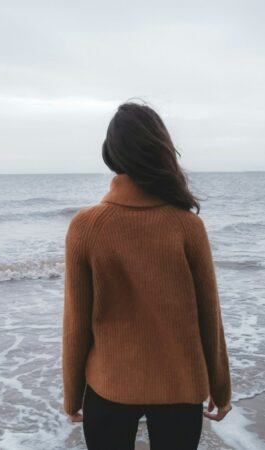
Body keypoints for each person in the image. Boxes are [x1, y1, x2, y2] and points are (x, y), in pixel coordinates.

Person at [62, 101, 232, 450]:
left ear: (111, 152)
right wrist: (220, 387)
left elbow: (76, 322)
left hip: (108, 387)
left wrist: (72, 394)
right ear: (161, 150)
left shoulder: (86, 226)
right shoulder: (187, 225)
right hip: (180, 388)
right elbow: (208, 316)